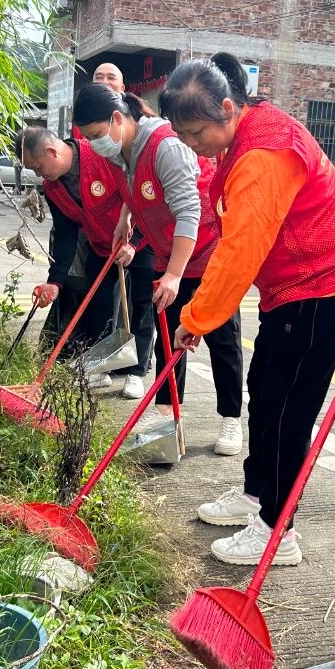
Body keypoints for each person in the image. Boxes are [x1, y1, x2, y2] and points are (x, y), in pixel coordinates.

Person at [158, 53, 335, 567]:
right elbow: (226, 229)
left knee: (288, 412)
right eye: (182, 135)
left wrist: (197, 317)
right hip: (289, 291)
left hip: (321, 290)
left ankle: (278, 531)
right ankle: (256, 496)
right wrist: (200, 310)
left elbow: (241, 250)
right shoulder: (243, 137)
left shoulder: (263, 154)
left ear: (228, 108)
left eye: (196, 132)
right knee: (265, 397)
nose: (191, 145)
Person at [72, 83, 246, 456]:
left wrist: (173, 275)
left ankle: (231, 417)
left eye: (97, 135)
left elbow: (189, 212)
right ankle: (167, 415)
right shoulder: (120, 150)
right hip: (171, 254)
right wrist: (126, 217)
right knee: (170, 338)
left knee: (222, 338)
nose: (95, 143)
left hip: (208, 252)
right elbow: (133, 187)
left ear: (118, 119)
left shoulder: (166, 146)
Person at [15, 126, 155, 396]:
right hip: (101, 246)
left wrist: (134, 242)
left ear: (51, 151)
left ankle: (135, 372)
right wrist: (55, 281)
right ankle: (100, 367)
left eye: (37, 166)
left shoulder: (100, 156)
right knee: (98, 305)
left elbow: (140, 198)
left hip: (140, 239)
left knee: (141, 305)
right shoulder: (53, 187)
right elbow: (66, 233)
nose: (38, 174)